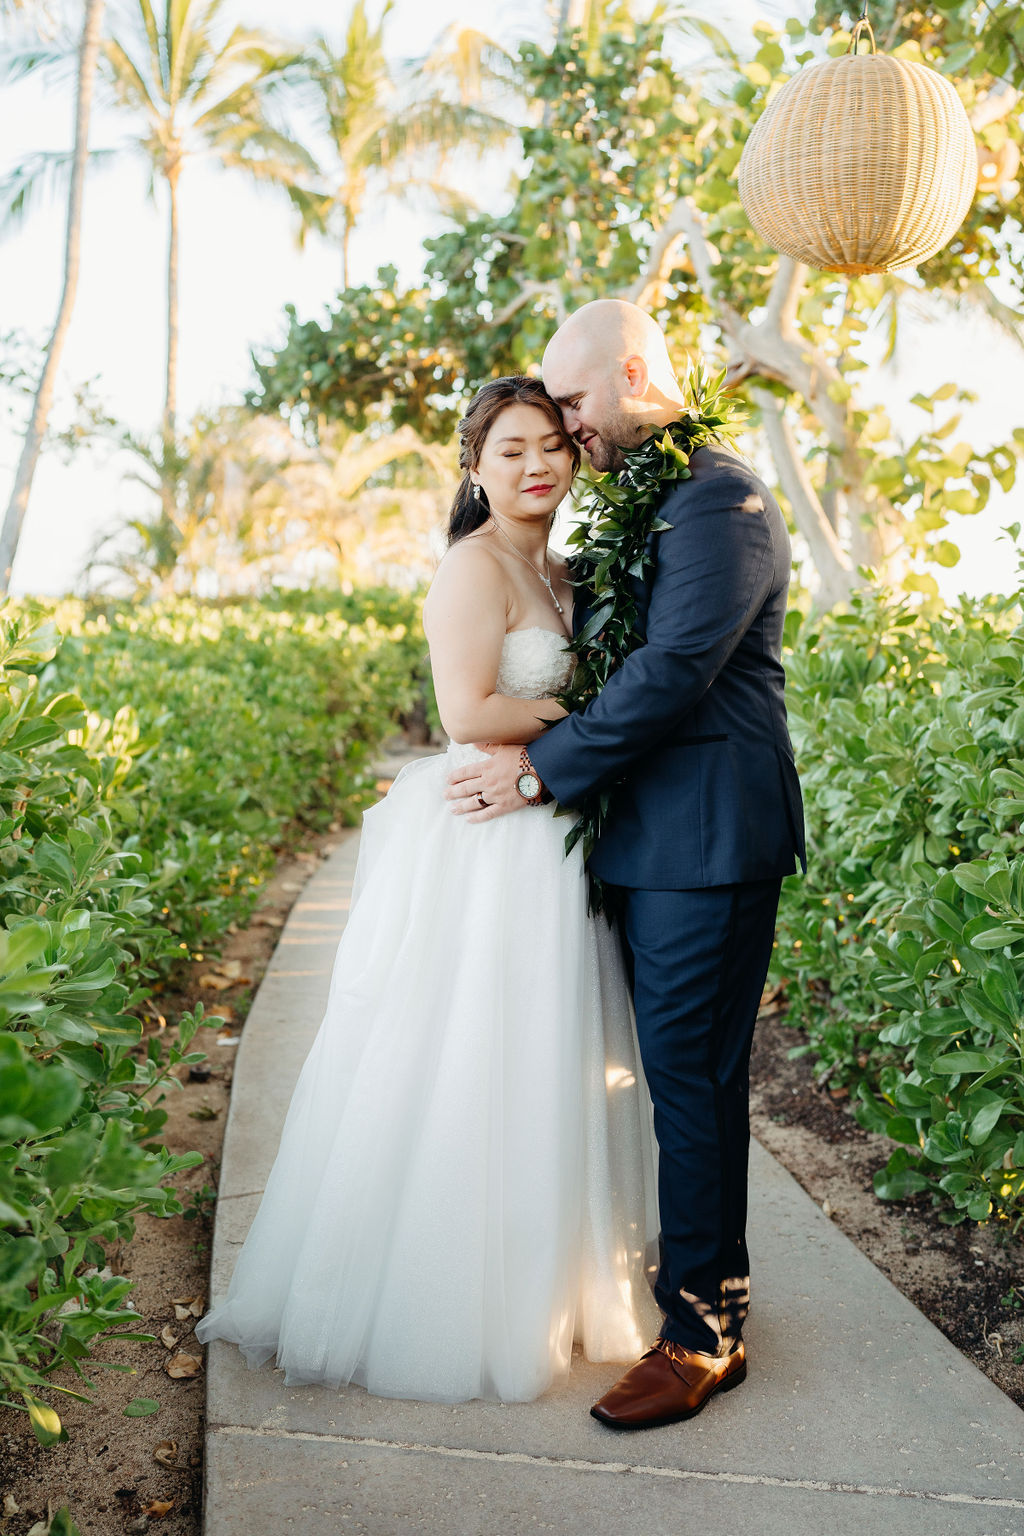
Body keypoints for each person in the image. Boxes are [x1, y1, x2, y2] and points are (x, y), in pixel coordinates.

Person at [195, 375, 661, 1404]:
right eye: (510, 449)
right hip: (489, 844)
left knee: (544, 1059)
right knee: (467, 1061)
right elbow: (468, 708)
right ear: (473, 466)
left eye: (550, 444)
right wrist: (587, 710)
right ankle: (450, 1298)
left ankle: (548, 1279)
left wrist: (578, 726)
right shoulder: (473, 567)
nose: (536, 464)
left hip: (546, 836)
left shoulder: (562, 569)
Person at [447, 299, 806, 1429]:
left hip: (706, 845)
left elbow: (667, 675)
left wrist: (536, 770)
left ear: (639, 372)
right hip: (648, 843)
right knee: (666, 1085)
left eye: (576, 401)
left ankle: (705, 1337)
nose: (565, 423)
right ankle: (696, 1293)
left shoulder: (720, 500)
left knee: (692, 1088)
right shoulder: (650, 500)